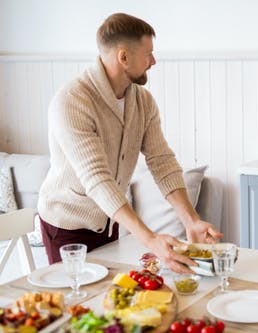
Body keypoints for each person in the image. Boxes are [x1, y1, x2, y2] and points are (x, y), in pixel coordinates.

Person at [37, 13, 223, 273]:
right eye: (148, 54)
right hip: (66, 227)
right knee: (78, 305)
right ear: (123, 57)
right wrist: (150, 239)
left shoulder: (143, 102)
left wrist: (191, 221)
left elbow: (162, 162)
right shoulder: (72, 101)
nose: (153, 61)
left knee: (111, 301)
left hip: (110, 222)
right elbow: (97, 179)